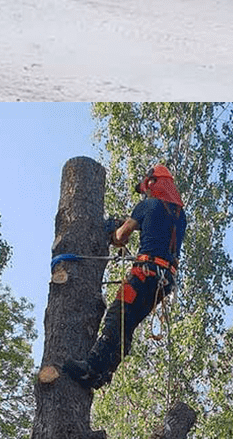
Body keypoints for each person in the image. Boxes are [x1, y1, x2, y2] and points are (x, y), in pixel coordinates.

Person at [63, 164, 186, 391]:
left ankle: (90, 368)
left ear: (152, 183)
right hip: (164, 281)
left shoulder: (146, 205)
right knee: (126, 326)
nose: (145, 193)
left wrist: (114, 233)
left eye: (146, 189)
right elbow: (157, 230)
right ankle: (104, 373)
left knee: (115, 319)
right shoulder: (180, 216)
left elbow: (121, 236)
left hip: (145, 273)